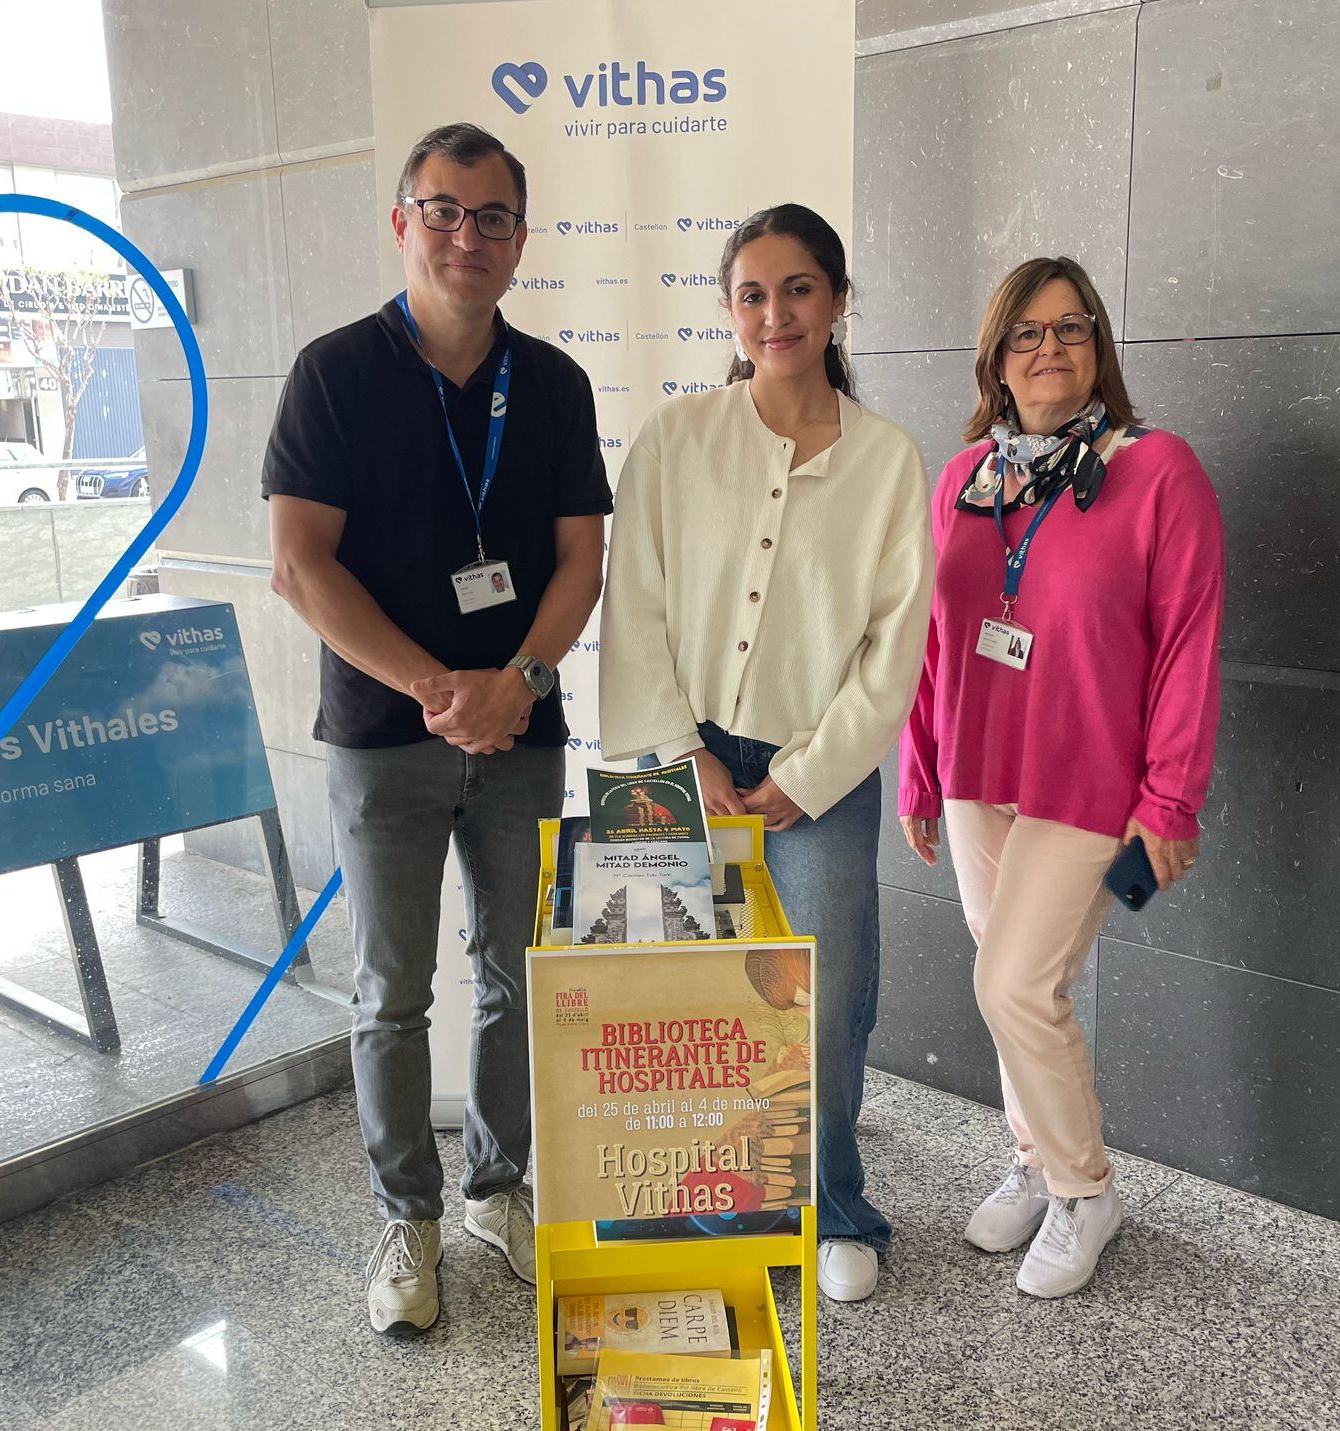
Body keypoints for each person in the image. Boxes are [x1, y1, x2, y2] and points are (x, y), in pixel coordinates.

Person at [264, 122, 610, 1338]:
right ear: (402, 222)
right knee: (391, 991)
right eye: (444, 211)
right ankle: (405, 1216)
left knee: (516, 977)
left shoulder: (552, 385)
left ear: (520, 235)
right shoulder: (333, 374)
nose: (469, 236)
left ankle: (495, 1189)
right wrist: (435, 687)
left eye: (493, 216)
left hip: (520, 734)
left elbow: (580, 561)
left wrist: (517, 679)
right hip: (384, 738)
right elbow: (299, 566)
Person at [601, 204, 934, 1305]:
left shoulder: (887, 460)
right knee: (676, 1000)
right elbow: (635, 601)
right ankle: (685, 1206)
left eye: (797, 288)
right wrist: (678, 751)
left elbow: (894, 646)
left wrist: (804, 774)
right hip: (679, 758)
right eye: (751, 293)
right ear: (728, 310)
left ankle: (831, 1206)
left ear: (837, 300)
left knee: (821, 998)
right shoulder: (675, 439)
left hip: (815, 771)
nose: (774, 313)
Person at [899, 256, 1223, 1298]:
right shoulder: (963, 479)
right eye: (1026, 333)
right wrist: (918, 769)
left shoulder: (1157, 471)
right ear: (995, 358)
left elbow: (1187, 646)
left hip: (1089, 783)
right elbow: (932, 637)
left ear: (1098, 347)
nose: (1049, 349)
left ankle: (1085, 1190)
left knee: (1014, 985)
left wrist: (1169, 802)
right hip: (976, 768)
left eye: (1070, 328)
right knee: (1011, 984)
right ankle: (1035, 1162)